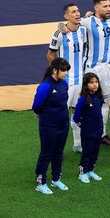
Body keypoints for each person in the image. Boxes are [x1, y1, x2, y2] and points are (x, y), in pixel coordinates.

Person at [80, 0, 110, 146]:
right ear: (96, 8)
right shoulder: (88, 22)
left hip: (107, 68)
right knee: (88, 103)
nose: (108, 9)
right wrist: (61, 27)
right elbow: (68, 24)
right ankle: (86, 135)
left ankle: (101, 134)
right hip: (92, 69)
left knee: (105, 102)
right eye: (105, 6)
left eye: (109, 6)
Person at [47, 4, 86, 153]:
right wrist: (55, 75)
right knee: (60, 117)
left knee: (78, 113)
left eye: (78, 11)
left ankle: (77, 144)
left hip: (80, 80)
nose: (77, 14)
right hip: (65, 82)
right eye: (73, 12)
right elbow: (50, 55)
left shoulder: (83, 29)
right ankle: (56, 148)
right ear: (66, 16)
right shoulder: (59, 34)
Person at [32, 58, 71, 195]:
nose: (66, 73)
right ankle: (40, 182)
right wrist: (42, 115)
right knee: (46, 153)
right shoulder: (45, 86)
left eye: (67, 70)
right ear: (55, 70)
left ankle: (56, 179)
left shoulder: (64, 84)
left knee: (59, 152)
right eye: (64, 70)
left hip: (63, 124)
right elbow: (36, 106)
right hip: (49, 126)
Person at [73, 73, 104, 183]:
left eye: (96, 82)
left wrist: (101, 128)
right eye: (91, 82)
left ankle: (90, 170)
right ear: (86, 85)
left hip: (98, 130)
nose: (95, 85)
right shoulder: (83, 99)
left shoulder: (98, 97)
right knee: (87, 152)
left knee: (95, 151)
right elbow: (76, 117)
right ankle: (82, 172)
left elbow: (99, 114)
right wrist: (84, 126)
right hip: (87, 132)